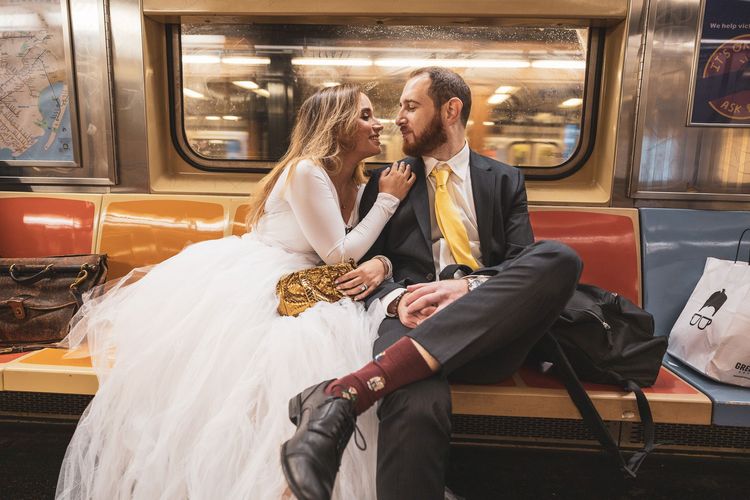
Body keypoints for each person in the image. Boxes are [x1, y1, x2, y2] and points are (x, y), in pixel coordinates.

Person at [55, 84, 415, 500]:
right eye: (366, 115)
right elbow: (337, 254)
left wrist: (384, 259)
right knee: (286, 355)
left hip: (308, 283)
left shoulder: (356, 179)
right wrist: (387, 203)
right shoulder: (305, 170)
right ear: (336, 125)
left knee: (331, 348)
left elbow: (356, 251)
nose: (379, 123)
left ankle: (307, 466)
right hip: (262, 279)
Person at [281, 68, 582, 500]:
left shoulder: (504, 180)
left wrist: (468, 287)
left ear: (450, 110)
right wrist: (396, 297)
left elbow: (522, 264)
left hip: (486, 329)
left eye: (410, 106)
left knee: (560, 257)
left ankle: (349, 392)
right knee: (414, 402)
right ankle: (363, 388)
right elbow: (364, 270)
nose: (397, 118)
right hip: (412, 317)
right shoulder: (388, 182)